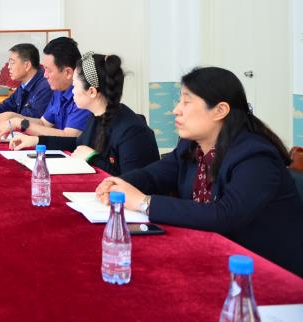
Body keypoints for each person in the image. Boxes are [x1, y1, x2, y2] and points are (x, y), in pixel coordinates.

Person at [95, 67, 303, 277]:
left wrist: (144, 202)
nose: (176, 110)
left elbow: (224, 215)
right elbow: (154, 175)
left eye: (186, 102)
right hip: (212, 255)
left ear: (220, 110)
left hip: (266, 271)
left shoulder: (256, 157)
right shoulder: (192, 145)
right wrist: (117, 183)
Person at [12, 52, 159, 175]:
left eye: (75, 85)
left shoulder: (132, 131)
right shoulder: (96, 116)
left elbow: (132, 182)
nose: (72, 91)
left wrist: (92, 157)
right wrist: (36, 141)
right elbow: (78, 144)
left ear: (92, 92)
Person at [0, 37, 92, 145]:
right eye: (44, 69)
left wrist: (21, 123)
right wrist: (13, 118)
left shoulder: (83, 95)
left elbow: (70, 137)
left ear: (67, 73)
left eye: (49, 70)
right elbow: (44, 123)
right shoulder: (59, 90)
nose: (45, 75)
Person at [0, 43, 52, 123]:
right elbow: (8, 105)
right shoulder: (24, 84)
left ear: (27, 65)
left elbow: (32, 120)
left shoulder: (45, 86)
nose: (8, 67)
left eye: (12, 62)